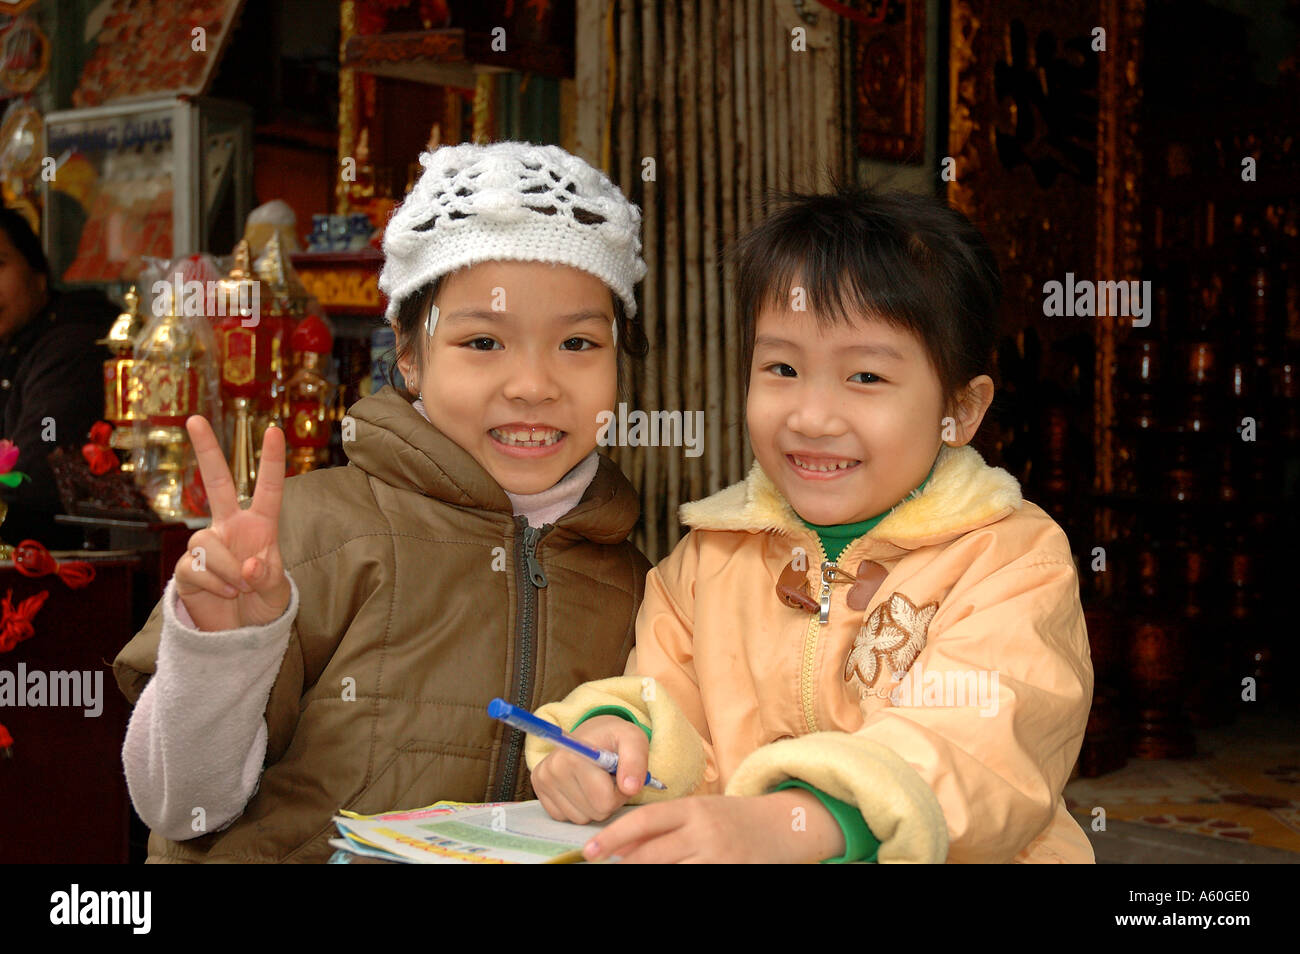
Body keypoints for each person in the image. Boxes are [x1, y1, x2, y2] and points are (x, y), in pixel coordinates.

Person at [112, 141, 653, 863]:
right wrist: (221, 655)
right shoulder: (312, 532)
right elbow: (182, 809)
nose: (533, 384)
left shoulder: (642, 586)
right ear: (407, 354)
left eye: (578, 343)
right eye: (484, 341)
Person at [527, 185, 1096, 864]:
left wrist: (793, 822)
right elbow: (673, 709)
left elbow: (979, 751)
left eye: (864, 377)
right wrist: (616, 740)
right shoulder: (712, 556)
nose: (811, 416)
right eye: (783, 368)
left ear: (962, 409)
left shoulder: (1012, 560)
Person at [0, 207, 116, 549]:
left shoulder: (74, 344)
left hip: (55, 567)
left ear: (38, 273)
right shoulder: (12, 342)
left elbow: (29, 484)